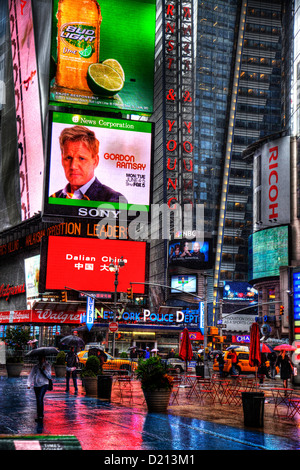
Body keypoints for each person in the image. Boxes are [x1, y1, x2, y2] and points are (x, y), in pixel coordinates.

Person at [51, 126, 127, 202]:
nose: (73, 166)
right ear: (62, 159)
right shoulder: (53, 198)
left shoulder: (114, 200)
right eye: (68, 158)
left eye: (81, 158)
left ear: (95, 161)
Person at [27, 355, 52, 423]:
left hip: (44, 384)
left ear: (44, 358)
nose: (41, 359)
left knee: (40, 398)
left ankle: (40, 416)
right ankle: (39, 415)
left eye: (42, 358)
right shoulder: (36, 366)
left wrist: (45, 370)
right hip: (36, 385)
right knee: (38, 400)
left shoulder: (47, 366)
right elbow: (31, 375)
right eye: (40, 358)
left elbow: (49, 376)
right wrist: (28, 384)